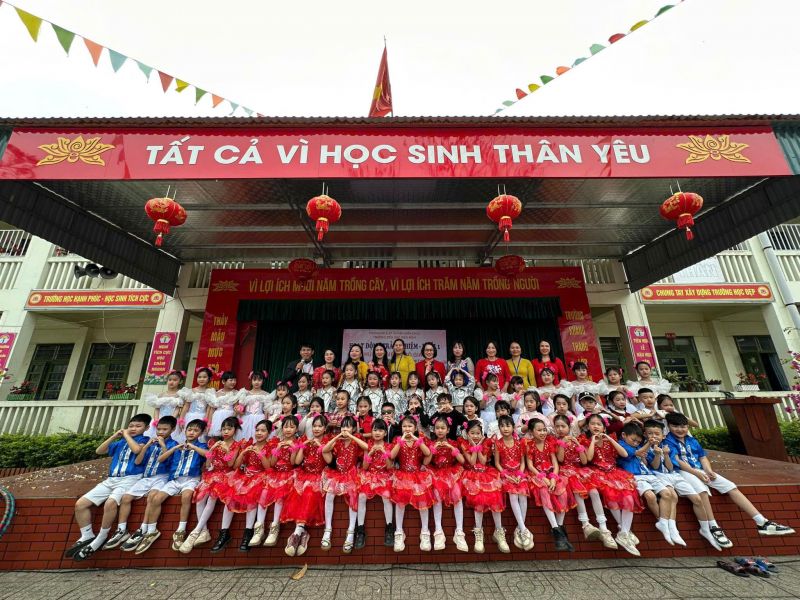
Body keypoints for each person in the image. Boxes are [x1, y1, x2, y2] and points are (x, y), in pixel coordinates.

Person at [664, 412, 795, 543]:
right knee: (702, 491)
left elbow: (702, 457)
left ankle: (762, 522)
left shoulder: (692, 440)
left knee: (731, 487)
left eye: (683, 426)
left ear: (687, 427)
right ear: (668, 426)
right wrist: (697, 473)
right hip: (683, 471)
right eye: (675, 426)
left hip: (701, 470)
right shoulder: (668, 441)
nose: (680, 429)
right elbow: (677, 460)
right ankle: (713, 527)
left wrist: (708, 470)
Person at [67, 414, 151, 561]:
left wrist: (126, 435)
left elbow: (137, 450)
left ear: (147, 428)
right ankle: (87, 535)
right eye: (131, 426)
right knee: (80, 504)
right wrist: (114, 436)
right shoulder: (120, 442)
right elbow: (99, 451)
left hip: (130, 479)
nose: (133, 429)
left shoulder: (145, 440)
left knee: (110, 503)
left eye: (138, 426)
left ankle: (101, 537)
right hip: (111, 479)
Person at [643, 419, 721, 550]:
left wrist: (665, 455)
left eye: (657, 434)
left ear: (663, 435)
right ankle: (672, 528)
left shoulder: (667, 446)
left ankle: (705, 529)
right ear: (645, 434)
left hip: (673, 474)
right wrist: (657, 454)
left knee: (697, 499)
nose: (653, 436)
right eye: (650, 433)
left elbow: (670, 467)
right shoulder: (645, 448)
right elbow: (655, 466)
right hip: (658, 475)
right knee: (673, 497)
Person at [112, 417, 179, 553]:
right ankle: (121, 529)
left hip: (162, 477)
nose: (160, 432)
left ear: (172, 430)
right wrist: (147, 446)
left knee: (152, 497)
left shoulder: (174, 444)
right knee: (125, 498)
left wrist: (163, 446)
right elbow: (138, 462)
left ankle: (144, 529)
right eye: (159, 429)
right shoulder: (151, 443)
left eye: (165, 429)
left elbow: (168, 462)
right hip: (147, 477)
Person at [582, 414, 643, 556]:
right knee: (612, 497)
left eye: (599, 424)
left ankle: (623, 532)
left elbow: (624, 454)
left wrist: (609, 438)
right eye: (593, 424)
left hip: (615, 472)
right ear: (588, 426)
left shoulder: (612, 439)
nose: (596, 426)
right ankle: (625, 532)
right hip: (599, 473)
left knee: (629, 498)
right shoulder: (585, 440)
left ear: (604, 427)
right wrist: (593, 441)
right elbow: (589, 458)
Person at [552, 414, 616, 549]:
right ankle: (585, 524)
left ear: (569, 427)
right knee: (578, 491)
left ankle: (603, 528)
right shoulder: (554, 442)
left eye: (563, 426)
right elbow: (561, 460)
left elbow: (584, 461)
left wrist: (578, 445)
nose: (560, 429)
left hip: (580, 470)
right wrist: (562, 444)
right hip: (566, 472)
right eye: (557, 426)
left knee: (594, 492)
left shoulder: (579, 439)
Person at [178, 417, 240, 553]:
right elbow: (208, 464)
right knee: (200, 499)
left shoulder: (236, 445)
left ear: (235, 430)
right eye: (223, 429)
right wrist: (212, 449)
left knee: (212, 498)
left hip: (227, 475)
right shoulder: (215, 442)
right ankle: (204, 530)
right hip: (213, 473)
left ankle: (195, 531)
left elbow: (230, 464)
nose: (226, 431)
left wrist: (226, 450)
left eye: (229, 429)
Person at [615, 422, 683, 547]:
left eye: (638, 441)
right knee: (650, 496)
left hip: (648, 474)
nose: (636, 443)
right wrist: (648, 444)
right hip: (634, 476)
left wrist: (645, 457)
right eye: (634, 440)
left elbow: (644, 461)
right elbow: (635, 453)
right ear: (624, 435)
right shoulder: (621, 444)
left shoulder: (638, 446)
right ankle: (664, 524)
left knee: (667, 494)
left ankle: (664, 523)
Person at [150, 419, 208, 552]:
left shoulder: (202, 446)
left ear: (200, 433)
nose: (191, 432)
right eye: (189, 430)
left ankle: (181, 530)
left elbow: (208, 455)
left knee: (186, 496)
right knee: (156, 499)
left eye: (196, 431)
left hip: (191, 479)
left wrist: (193, 447)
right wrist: (175, 448)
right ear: (185, 431)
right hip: (175, 480)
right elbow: (160, 459)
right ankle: (152, 531)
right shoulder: (177, 445)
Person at [217, 420, 272, 551]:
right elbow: (235, 466)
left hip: (261, 477)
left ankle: (248, 532)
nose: (259, 433)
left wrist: (259, 453)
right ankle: (224, 532)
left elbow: (268, 467)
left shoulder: (270, 446)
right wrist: (243, 453)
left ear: (269, 433)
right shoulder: (248, 445)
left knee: (251, 497)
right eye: (257, 430)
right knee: (230, 496)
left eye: (263, 431)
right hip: (245, 476)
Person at [281, 413, 328, 556]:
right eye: (314, 426)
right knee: (297, 492)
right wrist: (303, 447)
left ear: (325, 428)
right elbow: (296, 461)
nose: (317, 429)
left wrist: (320, 445)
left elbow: (328, 460)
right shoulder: (305, 440)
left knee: (309, 491)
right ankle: (302, 532)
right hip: (304, 474)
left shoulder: (327, 441)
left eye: (320, 426)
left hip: (319, 475)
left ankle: (297, 533)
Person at [525, 418, 574, 551]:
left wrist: (553, 478)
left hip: (552, 473)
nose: (542, 433)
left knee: (563, 493)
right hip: (537, 475)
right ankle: (555, 528)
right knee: (543, 491)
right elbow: (530, 466)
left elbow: (555, 464)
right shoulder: (529, 445)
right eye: (539, 430)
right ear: (531, 432)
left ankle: (559, 528)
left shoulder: (549, 443)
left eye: (544, 430)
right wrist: (543, 479)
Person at [459, 420, 507, 553]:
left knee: (495, 496)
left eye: (478, 433)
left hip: (486, 473)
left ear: (482, 434)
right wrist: (474, 446)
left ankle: (499, 530)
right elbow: (472, 461)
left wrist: (479, 446)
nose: (475, 436)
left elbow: (483, 461)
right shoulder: (463, 444)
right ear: (467, 434)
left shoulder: (485, 443)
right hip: (471, 474)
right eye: (472, 433)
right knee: (478, 499)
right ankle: (478, 532)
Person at [390, 415, 435, 552]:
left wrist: (417, 439)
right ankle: (399, 532)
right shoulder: (397, 440)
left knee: (423, 501)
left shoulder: (420, 439)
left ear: (415, 428)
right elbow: (392, 456)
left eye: (410, 426)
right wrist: (401, 441)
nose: (407, 429)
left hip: (417, 475)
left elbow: (427, 453)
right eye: (404, 426)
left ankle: (425, 532)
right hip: (403, 475)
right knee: (400, 503)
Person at [321, 416, 365, 552]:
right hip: (338, 474)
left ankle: (351, 531)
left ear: (353, 428)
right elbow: (324, 450)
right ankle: (327, 529)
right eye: (343, 426)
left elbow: (366, 447)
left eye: (348, 426)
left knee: (353, 496)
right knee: (329, 494)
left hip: (352, 474)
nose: (345, 429)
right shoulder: (338, 441)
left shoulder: (357, 439)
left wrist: (352, 436)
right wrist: (337, 437)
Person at [258, 416, 299, 548]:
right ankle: (259, 528)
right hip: (275, 474)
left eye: (292, 427)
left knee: (279, 497)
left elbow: (293, 463)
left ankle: (274, 527)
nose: (288, 430)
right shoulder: (276, 442)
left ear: (296, 429)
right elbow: (271, 463)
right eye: (286, 427)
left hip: (288, 474)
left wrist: (293, 449)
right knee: (264, 493)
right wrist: (278, 449)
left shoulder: (298, 443)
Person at [494, 415, 534, 551]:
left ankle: (520, 527)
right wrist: (506, 475)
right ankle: (523, 529)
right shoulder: (498, 443)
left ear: (513, 427)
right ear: (499, 428)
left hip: (519, 473)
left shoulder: (520, 442)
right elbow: (497, 463)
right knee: (512, 495)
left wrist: (520, 474)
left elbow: (522, 462)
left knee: (522, 495)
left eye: (508, 426)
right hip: (506, 474)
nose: (505, 429)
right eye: (502, 426)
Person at [428, 416, 468, 552]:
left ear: (448, 430)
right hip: (437, 474)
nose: (440, 430)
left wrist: (451, 447)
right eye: (437, 428)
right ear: (434, 430)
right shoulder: (431, 443)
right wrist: (433, 449)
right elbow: (426, 462)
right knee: (437, 496)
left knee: (457, 496)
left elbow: (462, 461)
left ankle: (459, 531)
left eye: (443, 428)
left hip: (451, 473)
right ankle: (438, 531)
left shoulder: (453, 443)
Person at [356, 419, 396, 547]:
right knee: (361, 496)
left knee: (386, 496)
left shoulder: (389, 446)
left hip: (384, 476)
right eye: (374, 430)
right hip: (370, 475)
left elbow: (389, 467)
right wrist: (371, 452)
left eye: (380, 430)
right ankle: (360, 530)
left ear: (385, 433)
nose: (377, 433)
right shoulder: (368, 445)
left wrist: (384, 452)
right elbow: (365, 466)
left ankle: (389, 528)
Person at [143, 370, 189, 440]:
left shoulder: (180, 394)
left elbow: (177, 409)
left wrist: (171, 420)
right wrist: (156, 420)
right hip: (160, 418)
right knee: (155, 437)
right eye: (170, 380)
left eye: (175, 380)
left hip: (172, 418)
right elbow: (157, 408)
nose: (172, 382)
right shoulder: (161, 395)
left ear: (180, 381)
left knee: (170, 437)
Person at [178, 367, 216, 442]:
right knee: (187, 436)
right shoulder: (191, 391)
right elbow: (186, 406)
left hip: (202, 417)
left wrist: (208, 422)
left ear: (209, 378)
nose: (201, 379)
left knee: (200, 438)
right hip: (189, 417)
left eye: (204, 377)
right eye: (199, 377)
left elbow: (209, 408)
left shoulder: (210, 392)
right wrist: (181, 419)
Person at [236, 371, 271, 441]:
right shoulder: (245, 393)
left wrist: (267, 421)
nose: (256, 382)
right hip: (246, 419)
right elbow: (242, 409)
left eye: (259, 380)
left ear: (263, 381)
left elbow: (267, 410)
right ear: (251, 380)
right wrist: (238, 411)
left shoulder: (266, 395)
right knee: (244, 439)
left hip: (260, 419)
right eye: (254, 380)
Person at [208, 371, 239, 439]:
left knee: (228, 435)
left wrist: (233, 420)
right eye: (231, 380)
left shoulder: (236, 393)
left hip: (230, 416)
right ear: (223, 381)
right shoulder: (217, 393)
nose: (233, 382)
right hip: (217, 417)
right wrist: (209, 423)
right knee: (217, 437)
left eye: (235, 380)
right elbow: (212, 409)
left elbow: (236, 408)